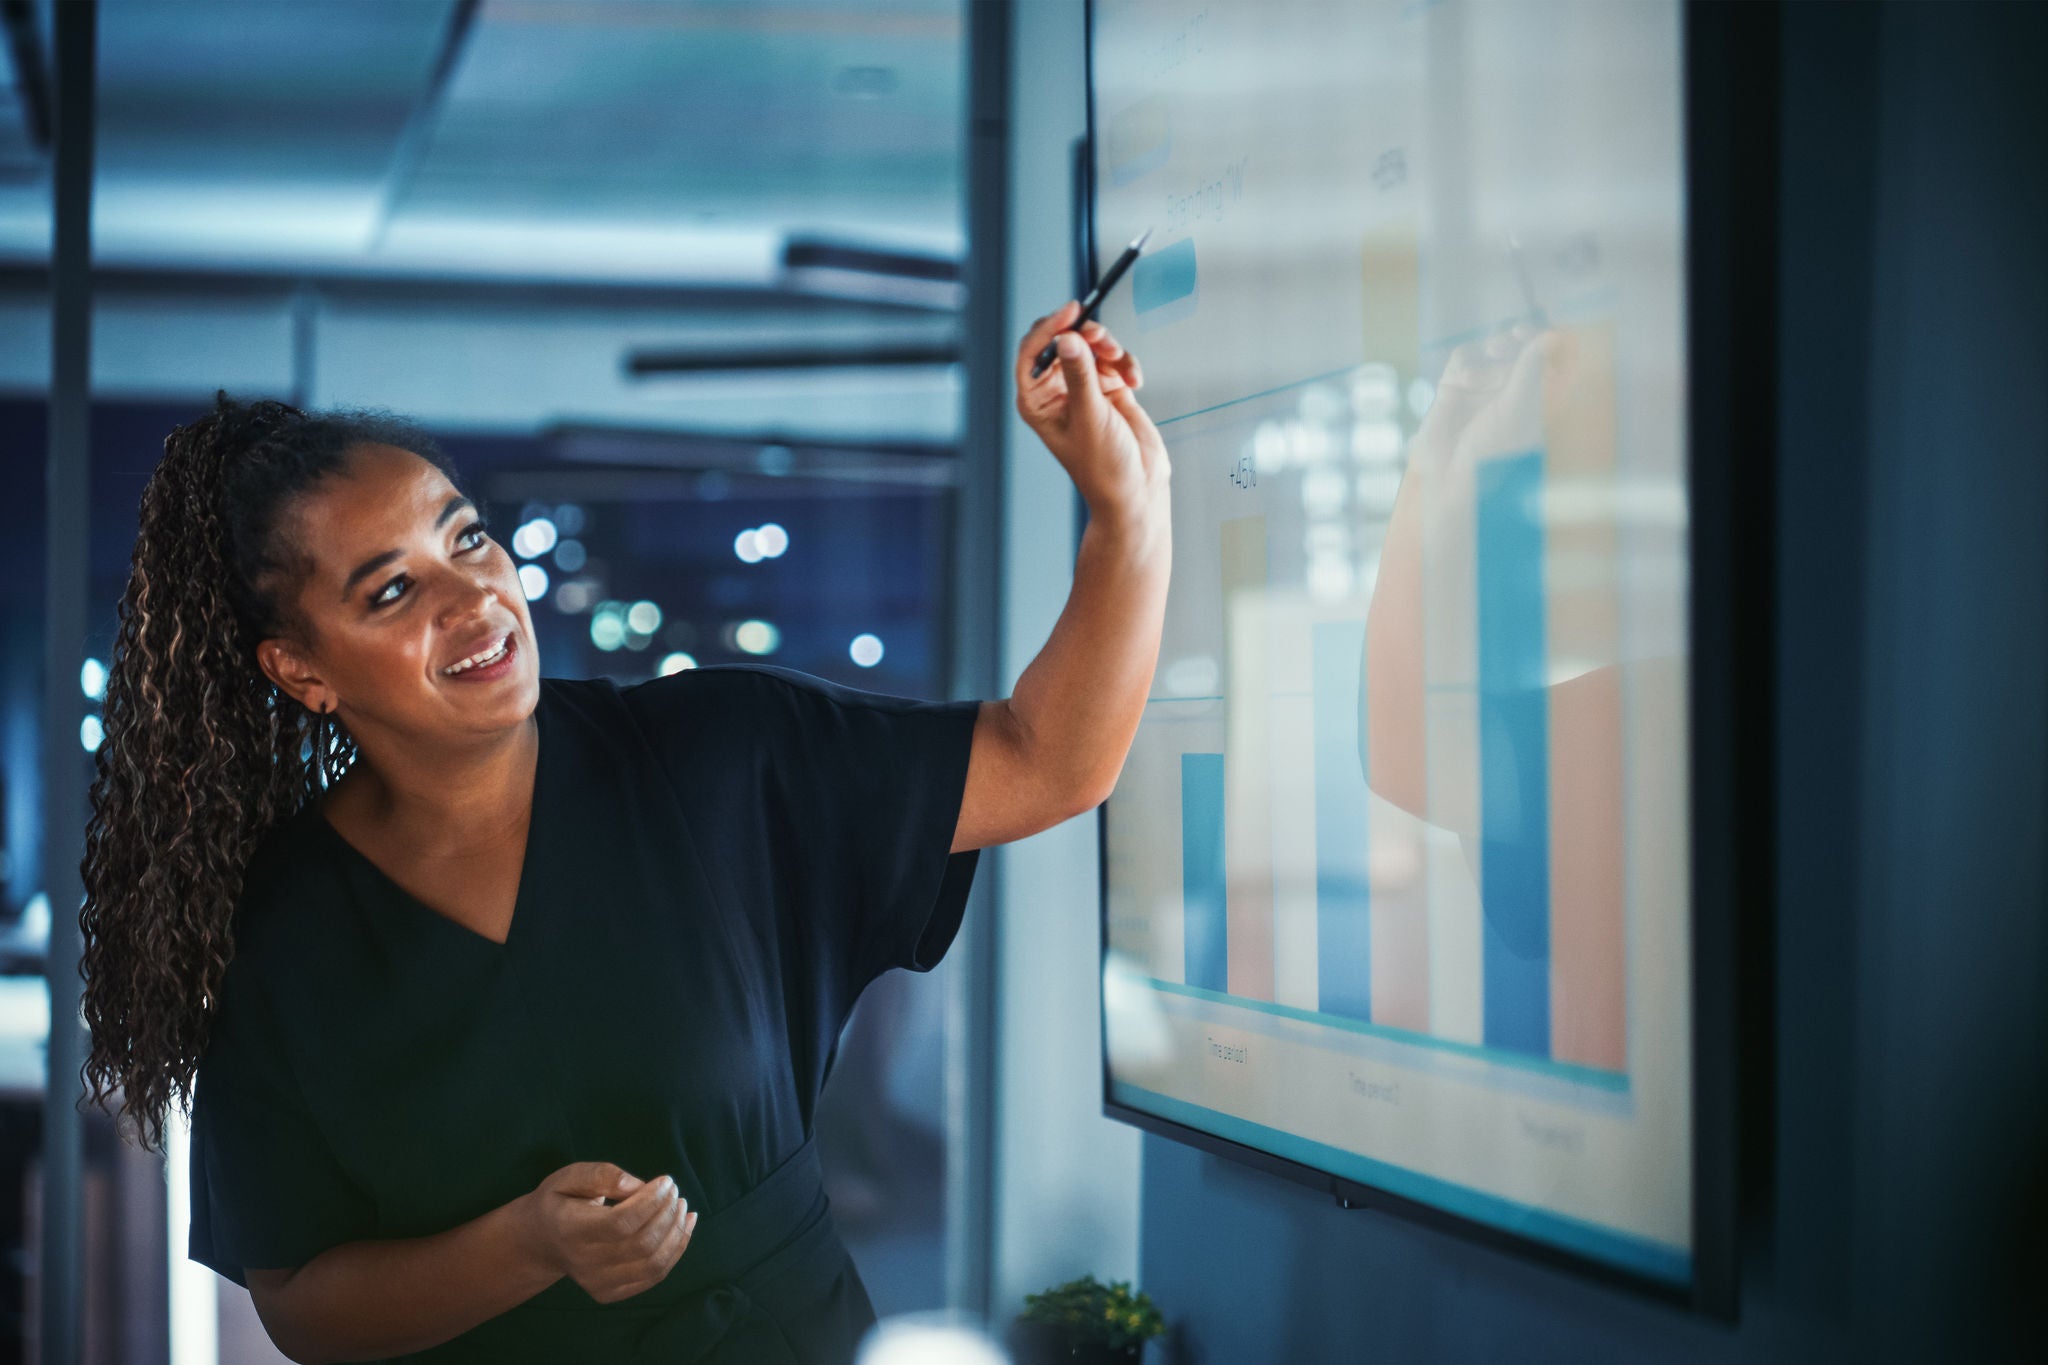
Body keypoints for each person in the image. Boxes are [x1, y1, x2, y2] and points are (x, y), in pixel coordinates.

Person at [76, 304, 1169, 1364]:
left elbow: (1046, 761)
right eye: (394, 589)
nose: (473, 599)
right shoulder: (285, 930)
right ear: (300, 670)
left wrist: (1127, 510)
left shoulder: (719, 756)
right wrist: (525, 1247)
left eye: (467, 538)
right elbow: (303, 1306)